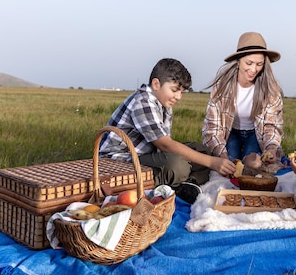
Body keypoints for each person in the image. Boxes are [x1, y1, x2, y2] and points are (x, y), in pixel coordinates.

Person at [99, 58, 236, 203]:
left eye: (181, 92)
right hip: (120, 161)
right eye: (175, 90)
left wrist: (208, 158)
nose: (178, 97)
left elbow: (165, 147)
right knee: (178, 165)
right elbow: (165, 144)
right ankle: (169, 185)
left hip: (146, 155)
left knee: (203, 151)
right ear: (156, 84)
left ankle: (186, 184)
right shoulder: (143, 101)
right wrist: (212, 162)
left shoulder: (164, 104)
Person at [202, 31, 284, 172]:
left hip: (255, 134)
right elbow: (212, 128)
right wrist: (222, 155)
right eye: (249, 63)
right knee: (230, 164)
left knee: (254, 164)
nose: (253, 69)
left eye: (259, 64)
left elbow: (272, 126)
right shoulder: (221, 88)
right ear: (238, 61)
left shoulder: (271, 90)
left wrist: (270, 148)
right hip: (230, 133)